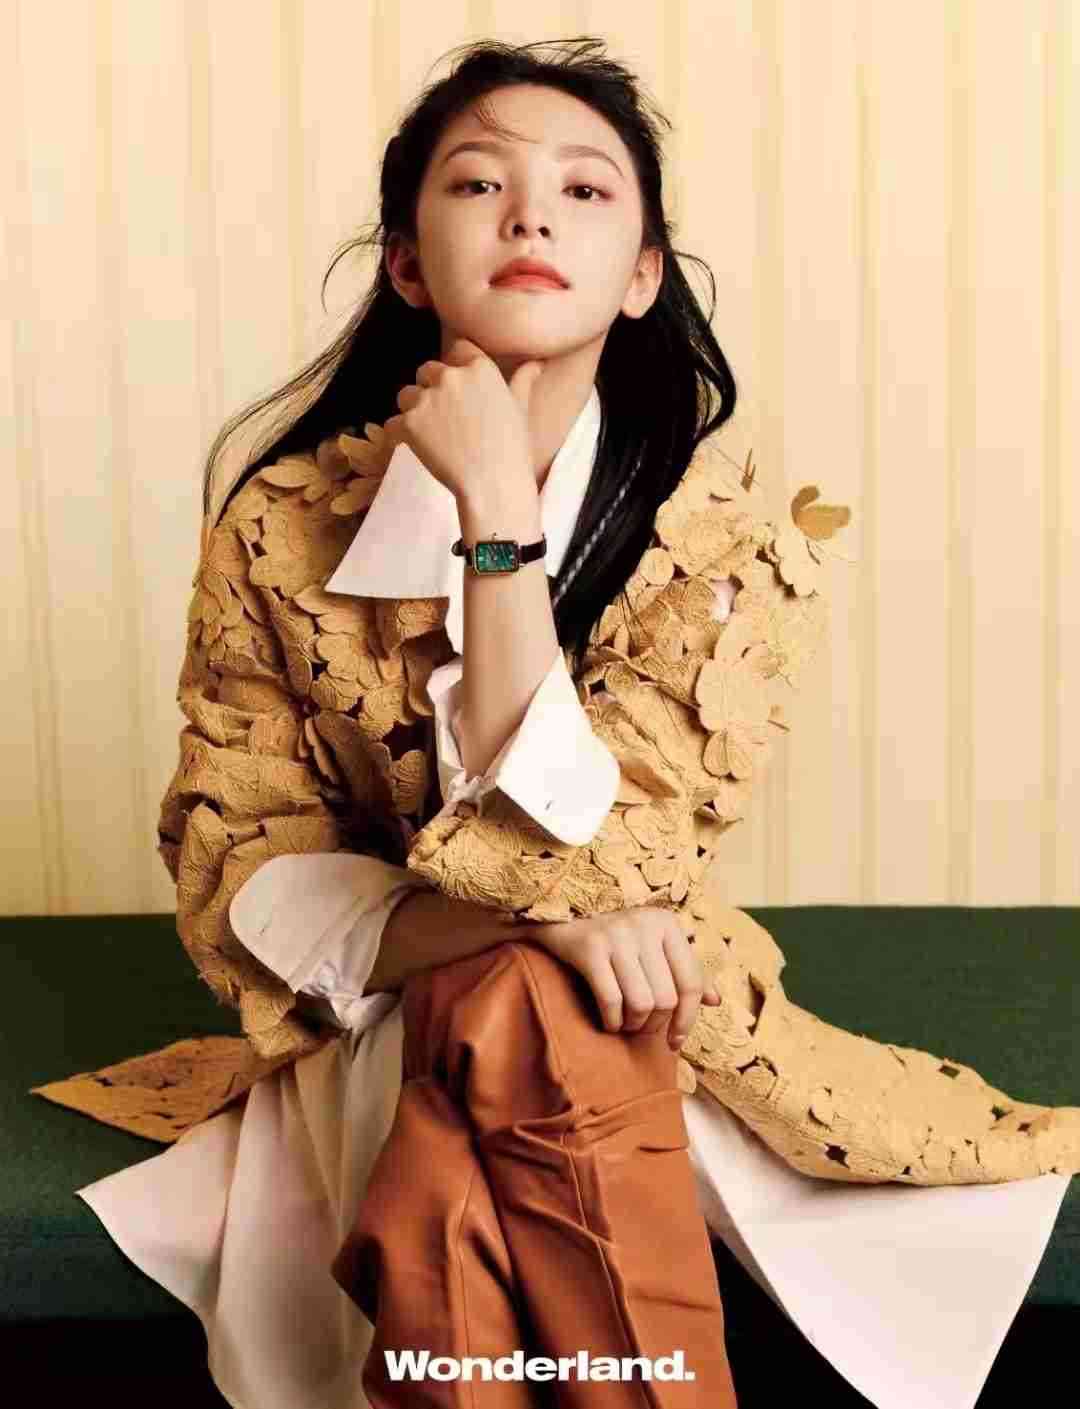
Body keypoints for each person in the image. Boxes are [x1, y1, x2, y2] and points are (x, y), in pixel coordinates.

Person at [62, 35, 1074, 1409]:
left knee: (529, 1011)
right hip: (397, 1027)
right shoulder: (279, 529)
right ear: (407, 262)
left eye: (585, 191)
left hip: (645, 1013)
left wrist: (497, 518)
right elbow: (241, 879)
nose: (531, 216)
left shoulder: (728, 542)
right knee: (529, 996)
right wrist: (541, 921)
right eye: (480, 183)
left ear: (642, 274)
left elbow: (610, 858)